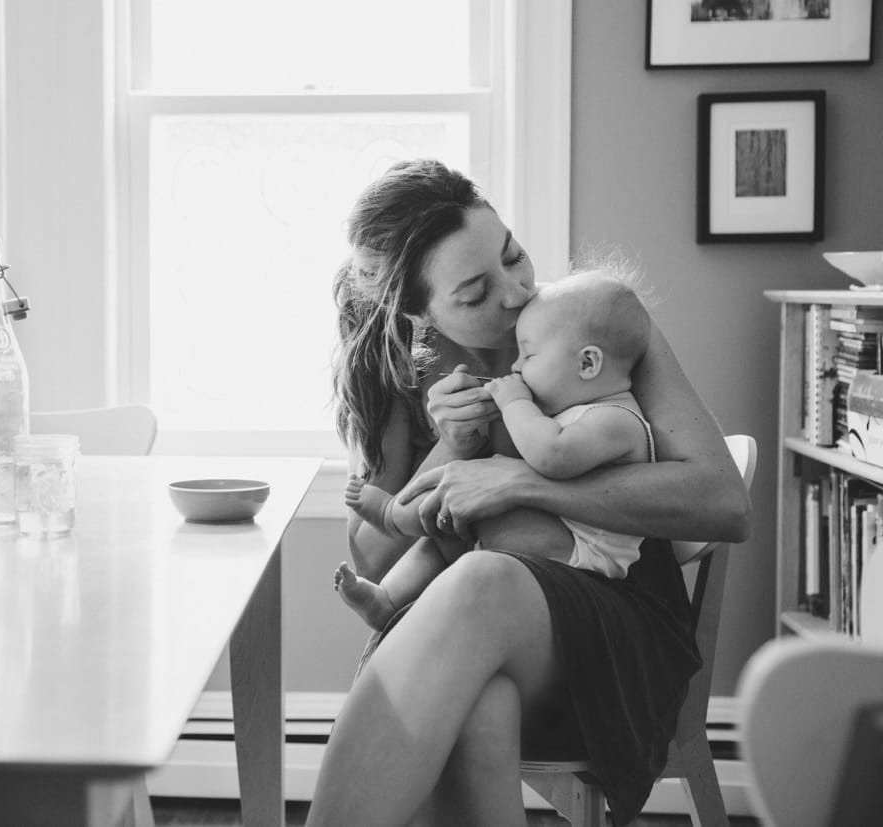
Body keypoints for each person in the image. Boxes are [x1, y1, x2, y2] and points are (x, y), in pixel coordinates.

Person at [307, 159, 750, 827]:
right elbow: (373, 559)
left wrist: (521, 479)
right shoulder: (404, 369)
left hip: (616, 623)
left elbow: (724, 501)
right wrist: (452, 446)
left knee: (485, 580)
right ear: (418, 314)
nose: (517, 292)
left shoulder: (588, 322)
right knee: (479, 707)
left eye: (513, 254)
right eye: (476, 291)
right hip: (459, 644)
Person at [335, 271, 656, 631]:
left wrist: (515, 404)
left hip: (584, 551)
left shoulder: (615, 418)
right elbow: (370, 557)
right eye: (473, 290)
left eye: (529, 356)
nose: (517, 366)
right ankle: (388, 599)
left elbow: (551, 455)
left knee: (465, 516)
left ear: (587, 364)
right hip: (553, 537)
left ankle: (395, 515)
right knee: (448, 531)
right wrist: (457, 439)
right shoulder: (573, 395)